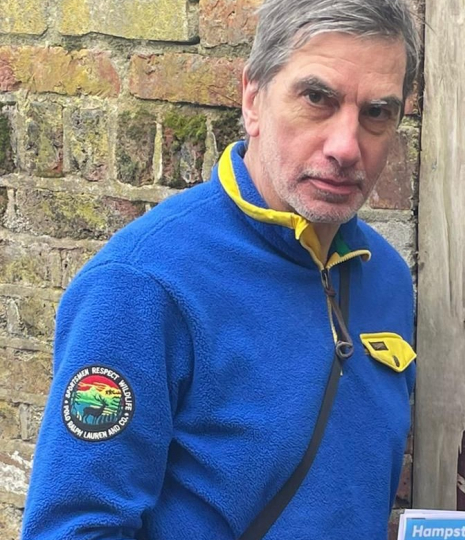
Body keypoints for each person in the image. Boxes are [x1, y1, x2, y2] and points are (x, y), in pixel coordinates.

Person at [21, 0, 420, 538]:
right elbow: (74, 528)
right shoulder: (144, 285)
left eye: (376, 112)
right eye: (317, 98)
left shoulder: (386, 277)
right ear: (252, 99)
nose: (346, 147)